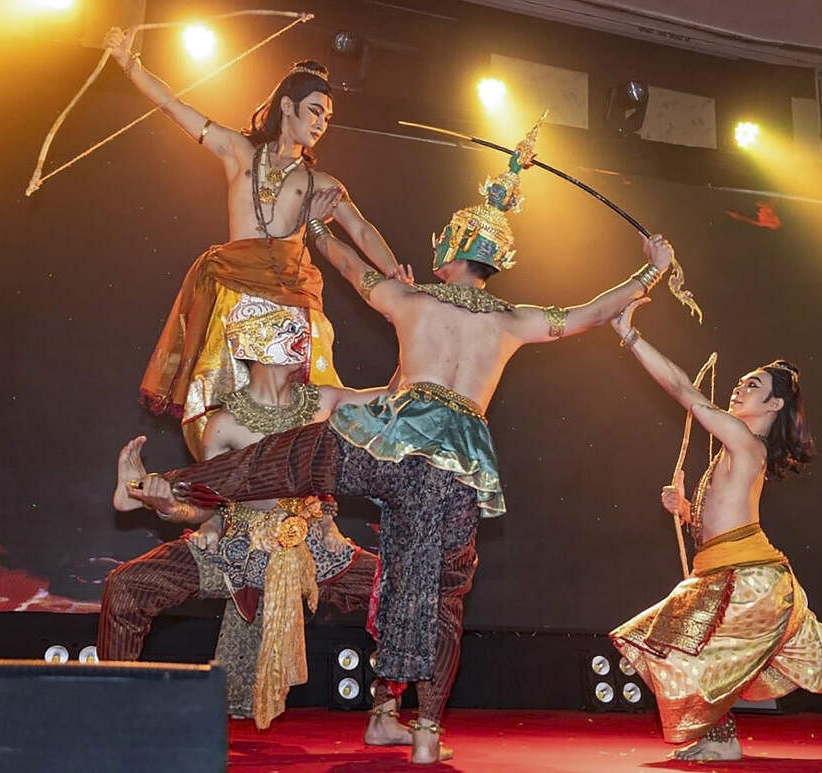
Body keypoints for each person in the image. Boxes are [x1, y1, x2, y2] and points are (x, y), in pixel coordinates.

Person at [115, 119, 677, 764]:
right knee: (438, 587)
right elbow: (591, 312)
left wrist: (320, 226)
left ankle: (155, 487)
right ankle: (426, 733)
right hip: (460, 464)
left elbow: (354, 271)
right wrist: (650, 273)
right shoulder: (516, 321)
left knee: (290, 459)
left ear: (450, 251)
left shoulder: (413, 299)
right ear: (496, 262)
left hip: (392, 441)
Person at [607, 296, 822, 762]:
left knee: (672, 639)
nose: (739, 389)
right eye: (742, 382)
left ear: (774, 403)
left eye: (753, 385)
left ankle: (723, 738)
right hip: (743, 577)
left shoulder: (746, 442)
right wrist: (687, 510)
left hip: (749, 582)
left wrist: (630, 336)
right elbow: (721, 525)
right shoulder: (736, 449)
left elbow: (685, 392)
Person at [102, 27, 401, 457]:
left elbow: (362, 231)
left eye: (327, 118)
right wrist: (130, 64)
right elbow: (174, 106)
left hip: (289, 300)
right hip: (232, 292)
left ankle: (291, 490)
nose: (320, 123)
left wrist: (395, 277)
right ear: (287, 106)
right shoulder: (238, 151)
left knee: (307, 405)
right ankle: (224, 498)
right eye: (315, 111)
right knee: (216, 400)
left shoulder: (319, 182)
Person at [101, 295, 390, 730]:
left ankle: (388, 715)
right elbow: (204, 509)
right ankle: (110, 713)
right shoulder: (224, 425)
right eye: (289, 329)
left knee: (401, 591)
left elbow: (392, 400)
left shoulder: (324, 402)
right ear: (255, 344)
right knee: (126, 586)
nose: (302, 337)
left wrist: (409, 324)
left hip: (316, 551)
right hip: (239, 551)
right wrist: (162, 504)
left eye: (299, 328)